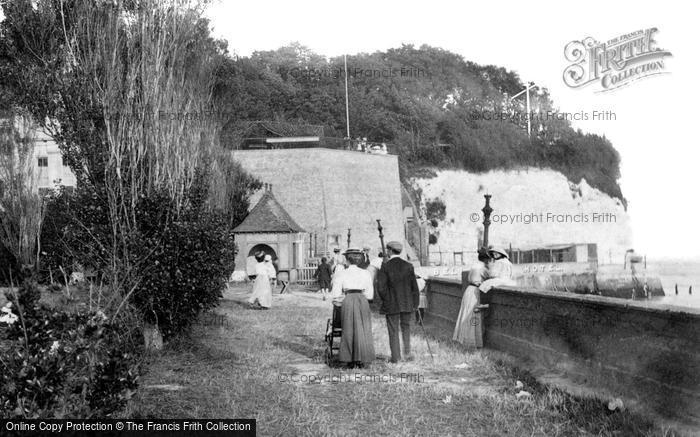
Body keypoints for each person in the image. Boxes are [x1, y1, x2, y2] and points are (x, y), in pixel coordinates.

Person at [330, 248, 375, 367]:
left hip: (348, 299)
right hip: (362, 300)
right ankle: (363, 358)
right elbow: (370, 294)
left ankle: (348, 358)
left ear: (347, 259)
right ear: (359, 260)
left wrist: (340, 301)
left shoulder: (341, 273)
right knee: (363, 329)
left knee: (348, 329)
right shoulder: (366, 273)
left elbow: (335, 294)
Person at [376, 241, 420, 363]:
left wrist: (386, 300)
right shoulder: (408, 266)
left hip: (392, 304)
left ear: (390, 251)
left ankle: (396, 357)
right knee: (406, 328)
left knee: (393, 330)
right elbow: (414, 288)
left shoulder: (385, 266)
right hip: (407, 303)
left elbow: (381, 288)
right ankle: (407, 355)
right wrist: (415, 304)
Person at [453, 248, 491, 347]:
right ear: (486, 259)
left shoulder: (474, 265)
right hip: (475, 291)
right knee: (472, 315)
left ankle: (463, 339)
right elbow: (490, 278)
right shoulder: (483, 268)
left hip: (468, 290)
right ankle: (471, 341)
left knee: (466, 314)